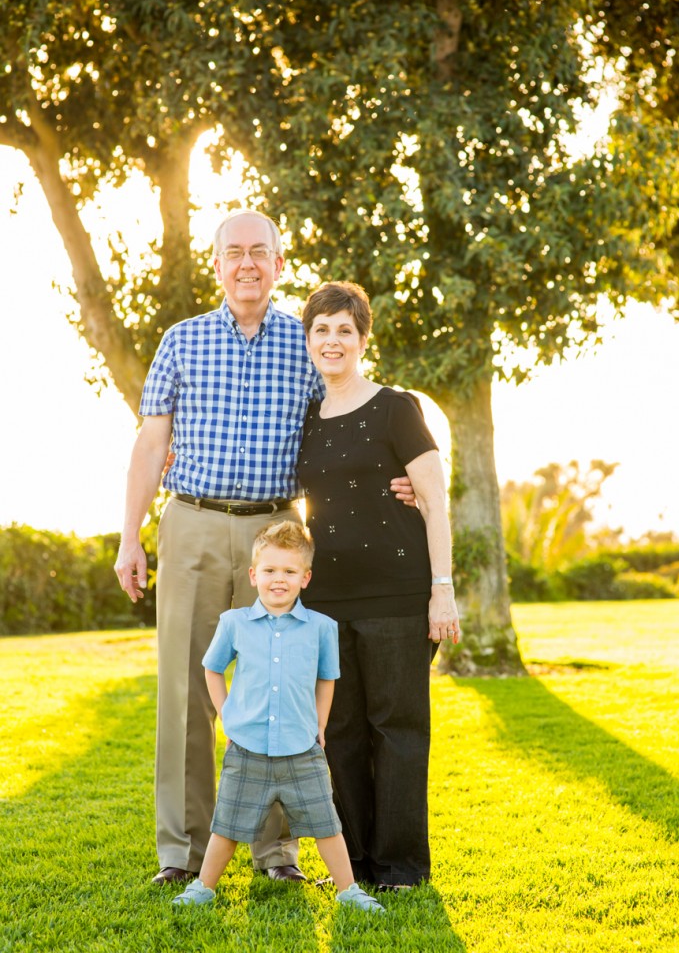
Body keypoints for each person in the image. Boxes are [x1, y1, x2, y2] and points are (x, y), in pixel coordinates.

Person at [114, 209, 414, 885]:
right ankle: (182, 853)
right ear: (215, 265)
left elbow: (352, 414)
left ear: (280, 264)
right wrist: (130, 536)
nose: (247, 264)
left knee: (278, 690)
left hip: (276, 533)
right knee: (188, 689)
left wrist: (404, 473)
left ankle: (276, 851)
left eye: (261, 252)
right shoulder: (181, 341)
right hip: (189, 523)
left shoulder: (305, 344)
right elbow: (150, 443)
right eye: (234, 253)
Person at [297, 281, 461, 891]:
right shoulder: (306, 418)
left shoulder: (396, 407)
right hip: (327, 600)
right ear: (308, 340)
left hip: (397, 595)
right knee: (339, 732)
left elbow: (436, 503)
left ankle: (402, 868)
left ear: (364, 339)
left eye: (344, 329)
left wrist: (440, 589)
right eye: (321, 330)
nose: (332, 340)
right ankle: (356, 865)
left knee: (397, 729)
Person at [171, 521, 385, 914]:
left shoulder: (322, 628)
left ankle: (348, 890)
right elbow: (212, 669)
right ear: (253, 575)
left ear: (306, 577)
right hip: (247, 747)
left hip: (301, 748)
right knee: (227, 825)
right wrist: (227, 715)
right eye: (269, 570)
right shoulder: (233, 623)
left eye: (289, 571)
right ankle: (203, 887)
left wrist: (319, 725)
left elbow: (327, 679)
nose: (278, 580)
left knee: (327, 823)